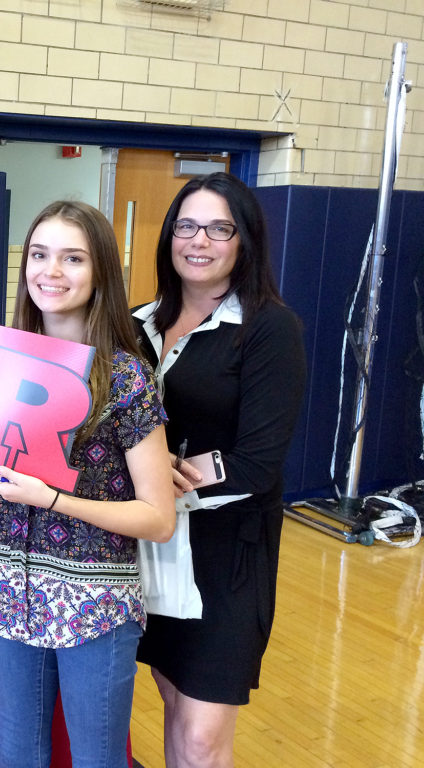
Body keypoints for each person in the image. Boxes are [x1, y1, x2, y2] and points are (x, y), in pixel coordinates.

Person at [0, 201, 176, 768]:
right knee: (18, 754)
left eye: (72, 258)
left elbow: (158, 517)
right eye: (39, 254)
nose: (50, 272)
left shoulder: (127, 376)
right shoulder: (2, 363)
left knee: (98, 759)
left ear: (100, 270)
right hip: (12, 589)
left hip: (94, 603)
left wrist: (55, 499)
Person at [132, 173, 306, 768]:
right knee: (174, 703)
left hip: (225, 557)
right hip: (147, 547)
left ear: (244, 240)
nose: (198, 240)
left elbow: (258, 460)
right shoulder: (139, 323)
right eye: (186, 225)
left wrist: (162, 476)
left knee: (205, 734)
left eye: (218, 227)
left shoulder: (268, 329)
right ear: (169, 235)